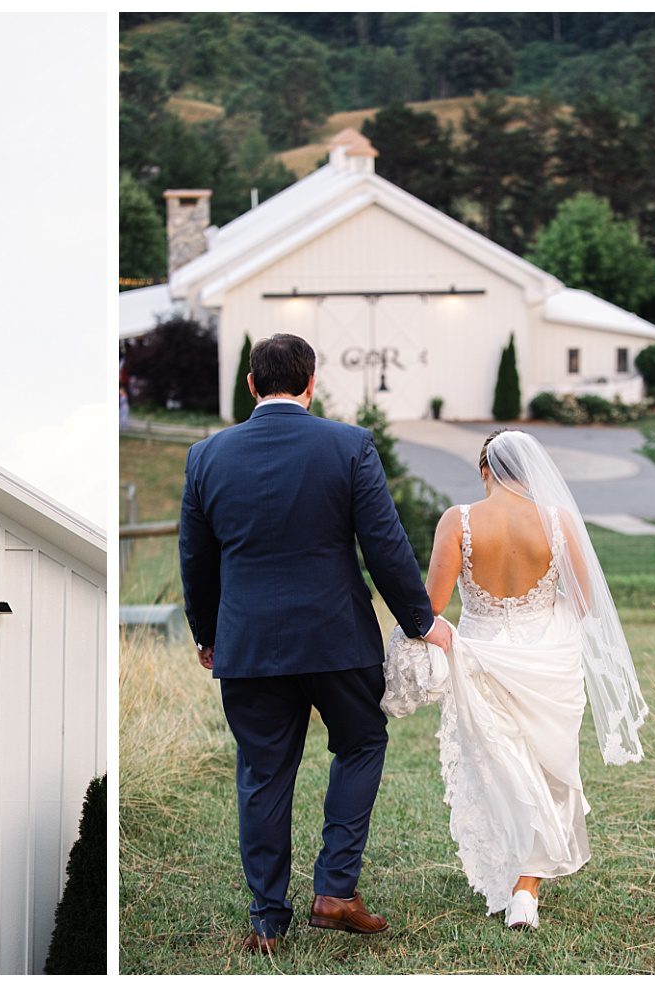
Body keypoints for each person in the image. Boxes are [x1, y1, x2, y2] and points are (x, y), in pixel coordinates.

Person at [177, 333, 454, 954]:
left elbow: (196, 559)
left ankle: (266, 921)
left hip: (247, 647)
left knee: (263, 773)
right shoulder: (348, 444)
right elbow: (383, 543)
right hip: (337, 639)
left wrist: (207, 635)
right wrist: (420, 621)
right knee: (361, 744)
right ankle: (333, 890)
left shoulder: (206, 456)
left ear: (251, 384)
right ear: (312, 382)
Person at [422, 428, 648, 929]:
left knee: (498, 763)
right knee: (546, 765)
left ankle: (515, 876)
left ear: (486, 471)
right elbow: (586, 604)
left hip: (482, 656)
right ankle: (526, 887)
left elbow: (432, 607)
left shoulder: (458, 521)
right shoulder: (558, 521)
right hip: (548, 658)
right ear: (531, 472)